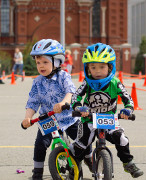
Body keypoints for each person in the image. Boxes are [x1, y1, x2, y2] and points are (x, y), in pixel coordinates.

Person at [70, 43, 144, 178]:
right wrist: (78, 108)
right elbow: (75, 97)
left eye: (102, 67)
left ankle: (128, 163)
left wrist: (127, 109)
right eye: (93, 67)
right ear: (88, 68)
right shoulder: (87, 83)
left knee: (122, 139)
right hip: (89, 119)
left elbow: (128, 99)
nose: (97, 71)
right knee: (81, 145)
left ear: (110, 67)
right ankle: (74, 167)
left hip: (109, 119)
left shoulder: (115, 83)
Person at [20, 39, 91, 180]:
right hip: (49, 119)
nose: (41, 66)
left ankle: (90, 160)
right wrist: (27, 117)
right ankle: (37, 172)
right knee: (40, 144)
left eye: (45, 62)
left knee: (83, 140)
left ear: (57, 62)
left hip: (68, 117)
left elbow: (70, 92)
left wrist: (64, 102)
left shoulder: (63, 76)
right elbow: (33, 102)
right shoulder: (37, 82)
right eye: (38, 62)